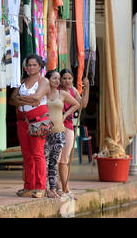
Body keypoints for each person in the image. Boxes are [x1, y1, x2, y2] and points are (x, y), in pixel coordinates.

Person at [9, 54, 50, 198]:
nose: (31, 67)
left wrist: (21, 99)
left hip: (38, 120)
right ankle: (29, 186)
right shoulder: (22, 81)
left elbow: (37, 98)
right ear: (25, 67)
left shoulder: (43, 81)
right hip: (22, 121)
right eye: (29, 65)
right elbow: (12, 100)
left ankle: (40, 187)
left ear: (40, 66)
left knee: (38, 154)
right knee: (27, 155)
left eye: (34, 65)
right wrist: (28, 100)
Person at [44, 70, 79, 198]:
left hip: (60, 131)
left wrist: (64, 115)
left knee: (54, 162)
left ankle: (55, 189)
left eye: (58, 78)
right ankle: (46, 188)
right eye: (55, 78)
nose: (57, 81)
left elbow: (77, 104)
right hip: (45, 132)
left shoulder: (63, 93)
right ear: (47, 79)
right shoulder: (43, 93)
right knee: (45, 161)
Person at [57, 69, 90, 197]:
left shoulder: (73, 90)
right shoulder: (56, 91)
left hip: (69, 127)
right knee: (57, 159)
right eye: (64, 78)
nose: (67, 81)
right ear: (60, 79)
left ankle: (66, 188)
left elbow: (83, 104)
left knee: (65, 159)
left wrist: (86, 88)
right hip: (57, 126)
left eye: (69, 78)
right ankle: (58, 186)